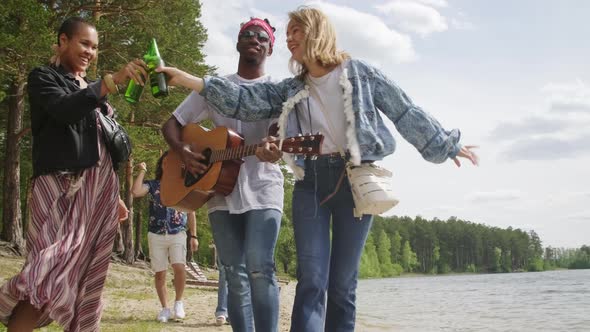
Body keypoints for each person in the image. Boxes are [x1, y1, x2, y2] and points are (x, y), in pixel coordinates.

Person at [158, 6, 480, 332]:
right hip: (309, 183)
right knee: (311, 279)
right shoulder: (291, 87)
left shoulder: (361, 74)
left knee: (342, 284)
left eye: (295, 31)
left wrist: (445, 144)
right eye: (287, 34)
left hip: (354, 182)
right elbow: (245, 99)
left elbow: (404, 110)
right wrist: (189, 80)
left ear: (316, 31)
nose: (289, 39)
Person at [0, 17, 145, 331]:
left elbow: (102, 145)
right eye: (84, 43)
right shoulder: (44, 77)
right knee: (43, 274)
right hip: (58, 188)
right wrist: (108, 82)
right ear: (63, 41)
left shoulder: (95, 96)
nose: (90, 52)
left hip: (97, 196)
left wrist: (115, 195)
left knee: (84, 283)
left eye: (94, 47)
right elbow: (65, 110)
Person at [161, 17, 284, 331]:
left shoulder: (277, 92)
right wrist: (183, 152)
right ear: (238, 42)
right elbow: (172, 123)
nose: (255, 39)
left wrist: (276, 142)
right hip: (219, 193)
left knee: (259, 268)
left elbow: (283, 134)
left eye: (262, 37)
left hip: (264, 188)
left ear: (271, 48)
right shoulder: (214, 88)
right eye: (248, 34)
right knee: (233, 271)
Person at [131, 157, 198, 323]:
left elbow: (191, 211)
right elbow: (135, 192)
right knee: (160, 273)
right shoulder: (152, 185)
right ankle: (165, 308)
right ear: (162, 166)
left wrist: (194, 236)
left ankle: (178, 303)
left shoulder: (183, 185)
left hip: (178, 232)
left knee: (179, 267)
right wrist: (142, 170)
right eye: (166, 164)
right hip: (156, 233)